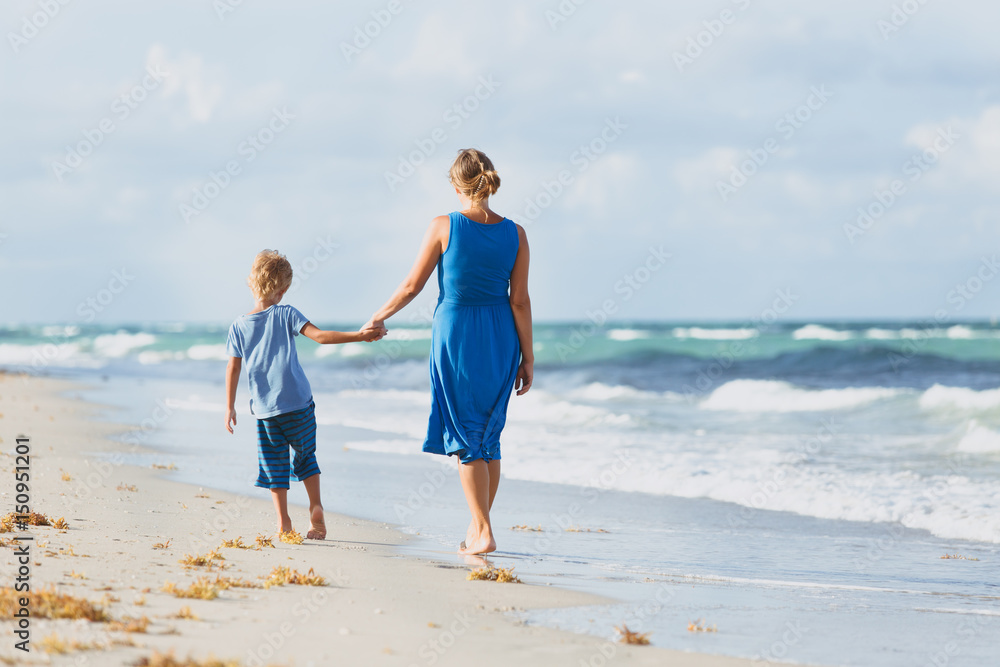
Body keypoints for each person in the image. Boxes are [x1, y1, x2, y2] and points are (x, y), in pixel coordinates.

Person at [365, 148, 533, 555]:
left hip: (456, 334)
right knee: (488, 436)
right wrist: (528, 357)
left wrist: (378, 316)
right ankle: (478, 530)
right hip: (501, 336)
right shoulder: (516, 233)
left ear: (456, 184)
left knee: (466, 435)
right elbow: (520, 301)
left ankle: (482, 530)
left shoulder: (445, 225)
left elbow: (411, 286)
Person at [225, 249, 384, 538]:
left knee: (274, 465)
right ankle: (315, 509)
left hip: (265, 410)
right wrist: (360, 336)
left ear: (251, 283)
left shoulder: (238, 326)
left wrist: (229, 407)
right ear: (283, 290)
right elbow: (322, 337)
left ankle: (284, 522)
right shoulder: (286, 313)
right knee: (306, 457)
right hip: (298, 403)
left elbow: (233, 369)